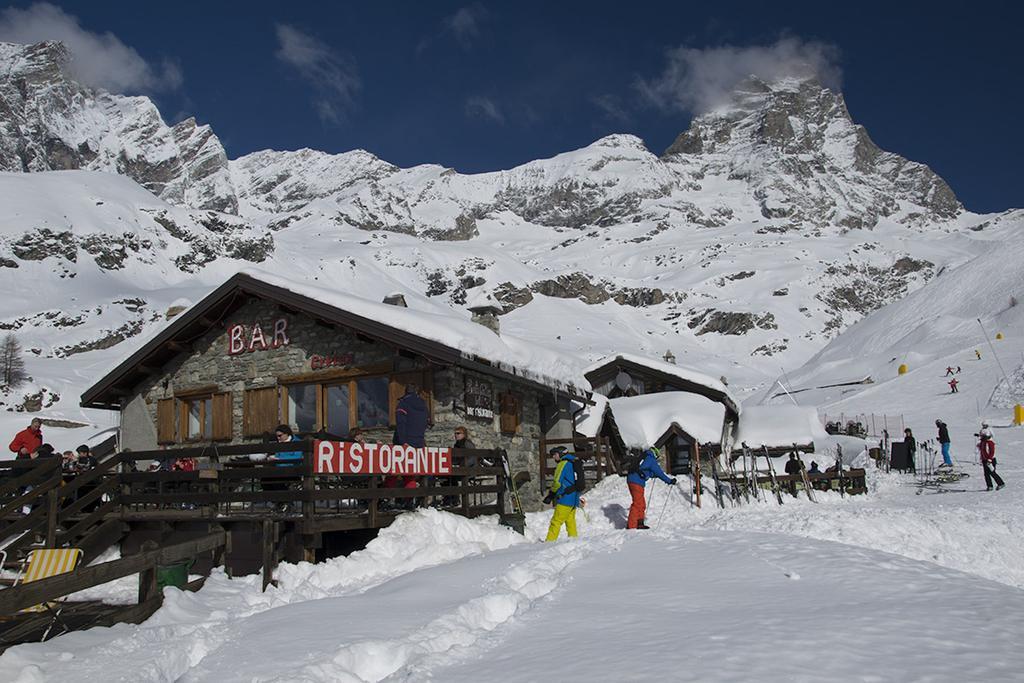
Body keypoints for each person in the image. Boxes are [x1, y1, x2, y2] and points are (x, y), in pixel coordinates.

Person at [393, 384, 429, 506]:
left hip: (405, 443)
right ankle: (410, 500)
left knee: (393, 471)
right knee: (411, 473)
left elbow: (400, 424)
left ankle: (385, 500)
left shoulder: (403, 404)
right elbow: (425, 423)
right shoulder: (423, 406)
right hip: (419, 443)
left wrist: (403, 442)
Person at [625, 446, 676, 530]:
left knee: (641, 503)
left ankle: (639, 523)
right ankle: (632, 526)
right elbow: (660, 473)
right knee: (637, 503)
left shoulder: (643, 457)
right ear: (655, 454)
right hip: (636, 482)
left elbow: (644, 470)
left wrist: (652, 474)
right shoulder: (651, 459)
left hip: (632, 479)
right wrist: (669, 481)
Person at [544, 446, 585, 540]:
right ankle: (574, 540)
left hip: (565, 498)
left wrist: (551, 494)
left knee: (556, 521)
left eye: (555, 455)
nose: (553, 457)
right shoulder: (573, 462)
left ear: (561, 454)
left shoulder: (563, 464)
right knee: (570, 521)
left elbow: (557, 482)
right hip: (574, 497)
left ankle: (549, 542)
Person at [267, 424, 303, 512]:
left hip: (293, 471)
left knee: (277, 480)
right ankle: (280, 502)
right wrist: (272, 459)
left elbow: (297, 457)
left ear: (287, 434)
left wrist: (280, 459)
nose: (278, 438)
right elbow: (277, 456)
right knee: (265, 479)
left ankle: (284, 503)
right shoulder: (280, 444)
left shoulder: (297, 442)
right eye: (277, 436)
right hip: (280, 470)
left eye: (280, 436)